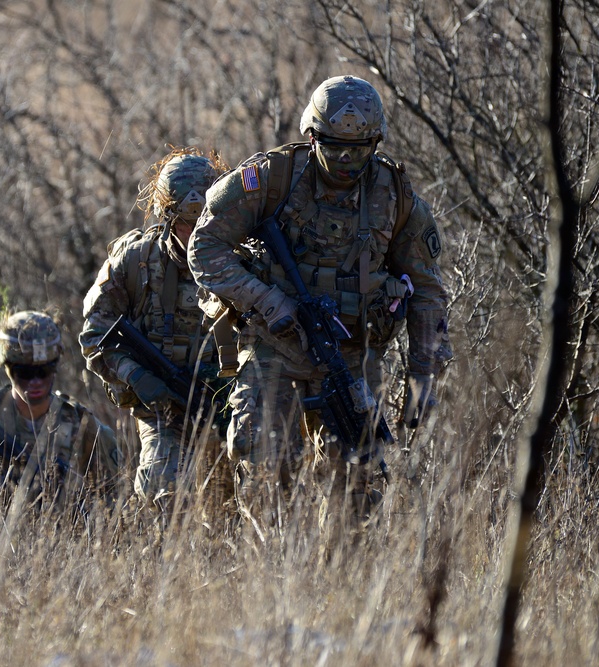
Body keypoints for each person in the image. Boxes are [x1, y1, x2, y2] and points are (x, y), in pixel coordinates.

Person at [187, 76, 453, 507]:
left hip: (350, 356)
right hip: (275, 346)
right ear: (312, 137)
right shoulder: (272, 178)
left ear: (376, 141)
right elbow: (204, 247)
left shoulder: (395, 197)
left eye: (359, 148)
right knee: (265, 475)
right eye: (333, 147)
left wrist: (423, 378)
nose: (346, 159)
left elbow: (427, 292)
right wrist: (267, 300)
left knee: (358, 487)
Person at [80, 147, 231, 509]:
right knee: (163, 493)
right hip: (164, 412)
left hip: (230, 408)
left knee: (248, 495)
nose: (196, 233)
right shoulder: (135, 261)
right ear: (166, 217)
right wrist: (136, 376)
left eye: (205, 221)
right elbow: (95, 335)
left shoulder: (241, 257)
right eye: (187, 223)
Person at [0, 310, 121, 536]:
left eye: (44, 371)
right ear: (8, 368)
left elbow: (115, 502)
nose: (35, 382)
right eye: (24, 373)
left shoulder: (82, 425)